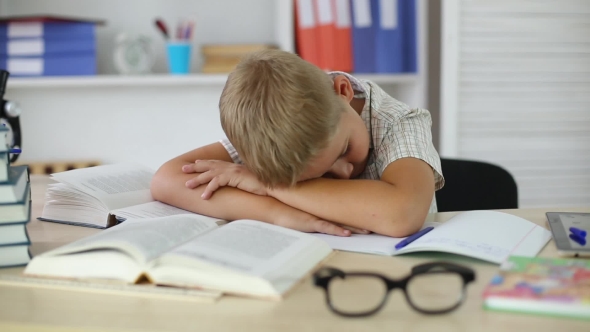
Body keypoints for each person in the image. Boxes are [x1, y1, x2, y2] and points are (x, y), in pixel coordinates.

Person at [151, 49, 444, 237]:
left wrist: (269, 186)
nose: (343, 173)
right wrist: (278, 213)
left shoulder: (399, 122)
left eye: (343, 150)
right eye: (320, 175)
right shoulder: (271, 130)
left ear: (341, 91)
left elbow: (401, 214)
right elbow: (167, 180)